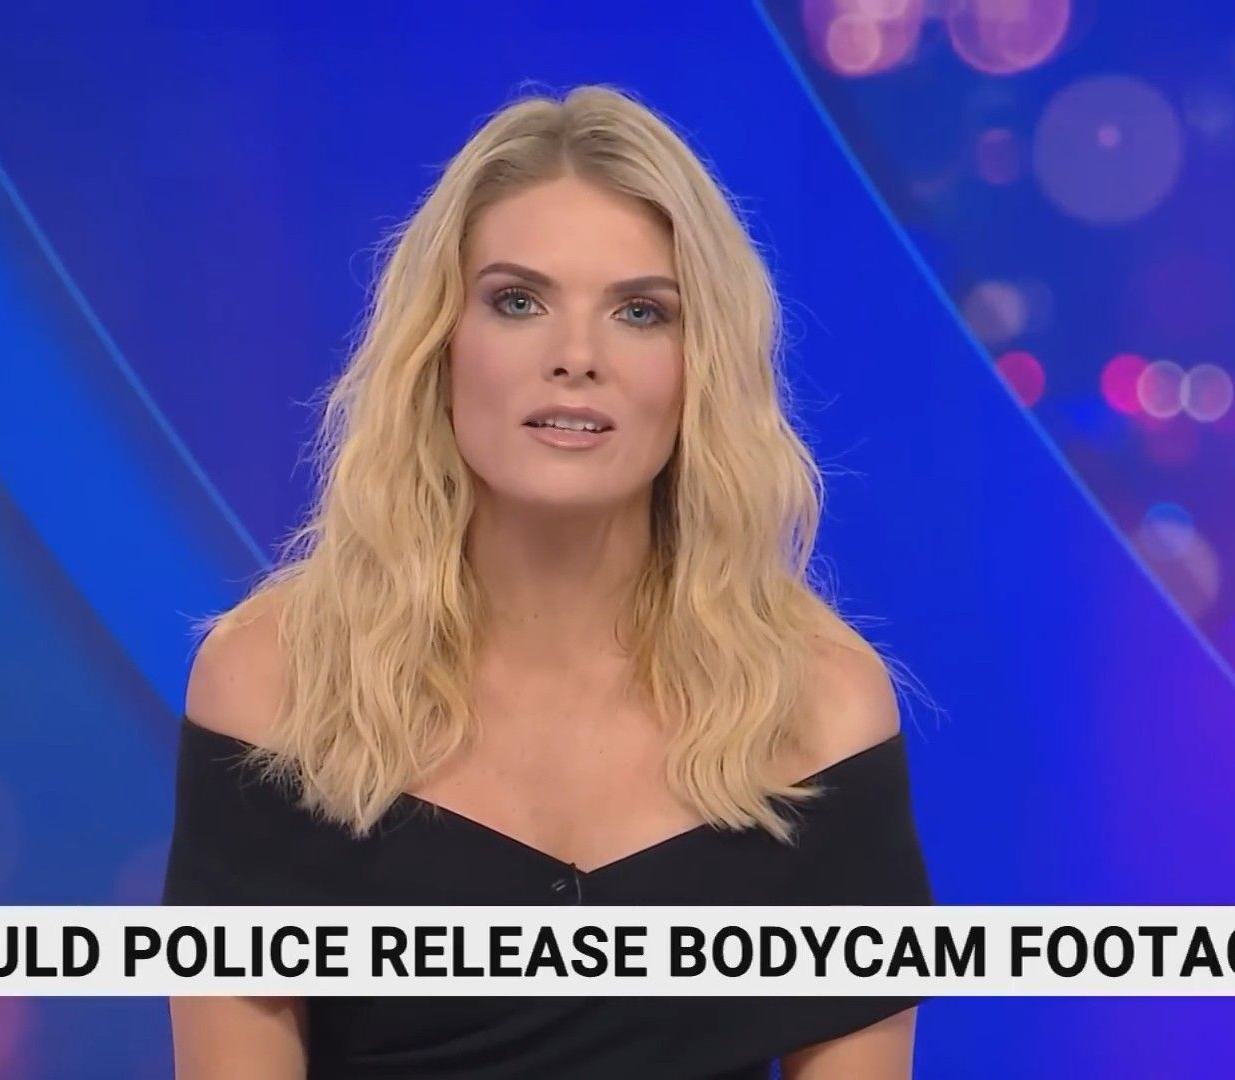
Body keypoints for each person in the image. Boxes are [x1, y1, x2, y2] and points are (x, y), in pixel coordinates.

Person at [163, 83, 931, 1079]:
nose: (576, 358)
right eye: (518, 302)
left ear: (701, 368)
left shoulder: (820, 709)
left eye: (640, 312)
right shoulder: (275, 687)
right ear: (440, 345)